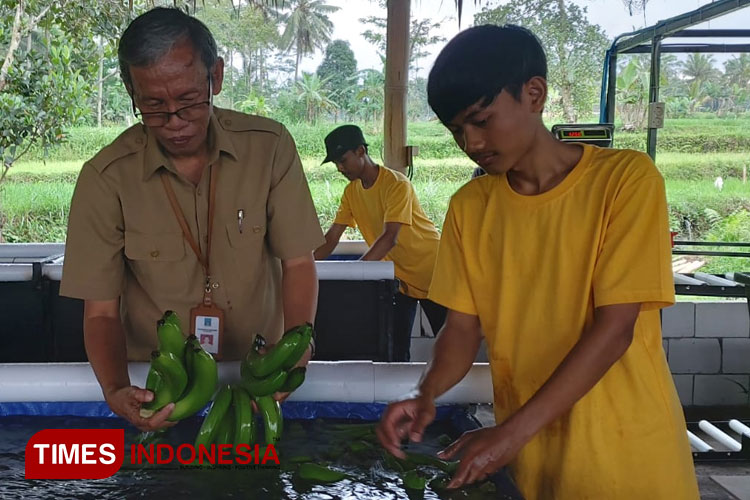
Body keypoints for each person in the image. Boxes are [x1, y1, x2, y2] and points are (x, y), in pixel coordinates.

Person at [376, 25, 699, 499]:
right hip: (532, 465)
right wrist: (424, 394)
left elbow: (615, 330)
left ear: (534, 94)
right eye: (455, 130)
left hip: (629, 461)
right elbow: (462, 330)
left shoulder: (625, 182)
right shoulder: (470, 206)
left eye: (481, 120)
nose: (470, 142)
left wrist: (507, 434)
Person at [60, 8, 324, 432]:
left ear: (214, 78)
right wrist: (115, 389)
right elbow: (101, 313)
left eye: (188, 101)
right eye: (153, 106)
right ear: (131, 92)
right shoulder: (105, 178)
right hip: (162, 394)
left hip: (258, 383)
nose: (175, 122)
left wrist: (294, 349)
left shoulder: (269, 148)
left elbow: (298, 263)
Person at [313, 125, 445, 361]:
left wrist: (358, 274)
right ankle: (398, 397)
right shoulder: (351, 192)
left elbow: (389, 238)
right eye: (336, 164)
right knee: (394, 349)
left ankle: (464, 397)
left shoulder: (396, 184)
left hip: (433, 273)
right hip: (398, 280)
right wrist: (302, 265)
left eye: (343, 160)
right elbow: (331, 238)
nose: (340, 168)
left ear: (361, 151)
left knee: (449, 343)